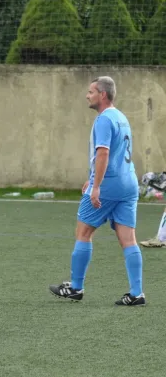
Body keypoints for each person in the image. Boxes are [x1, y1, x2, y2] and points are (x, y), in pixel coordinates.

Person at [49, 76, 145, 306]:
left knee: (83, 232)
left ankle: (75, 287)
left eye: (91, 91)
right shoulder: (120, 116)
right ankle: (136, 293)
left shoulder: (103, 120)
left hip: (109, 185)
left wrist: (96, 186)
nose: (87, 95)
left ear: (102, 94)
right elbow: (114, 154)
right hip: (129, 183)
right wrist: (90, 178)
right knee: (128, 239)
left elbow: (103, 153)